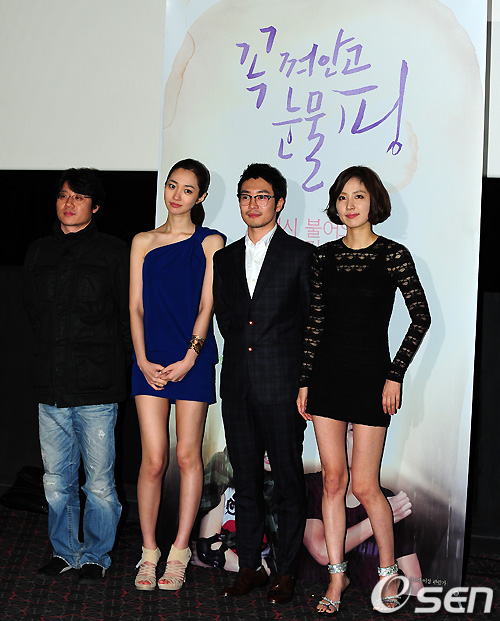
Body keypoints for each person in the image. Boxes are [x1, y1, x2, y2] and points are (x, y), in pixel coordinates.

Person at [297, 166, 431, 614]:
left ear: (374, 201)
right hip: (327, 379)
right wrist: (305, 381)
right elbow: (315, 324)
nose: (349, 204)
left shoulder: (393, 255)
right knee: (332, 481)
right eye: (342, 197)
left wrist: (395, 375)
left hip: (373, 379)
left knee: (367, 484)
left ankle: (388, 576)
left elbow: (421, 317)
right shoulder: (322, 257)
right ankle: (336, 579)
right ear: (334, 206)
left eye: (358, 196)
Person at [23, 168, 131, 584]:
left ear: (95, 206)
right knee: (55, 481)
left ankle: (96, 555)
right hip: (50, 386)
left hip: (97, 386)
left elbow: (126, 317)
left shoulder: (114, 252)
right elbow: (33, 313)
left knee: (99, 483)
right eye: (64, 196)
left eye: (79, 197)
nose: (69, 204)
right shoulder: (38, 251)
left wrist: (116, 367)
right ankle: (65, 551)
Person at [213, 163, 314, 605]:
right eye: (246, 196)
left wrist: (305, 383)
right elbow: (227, 320)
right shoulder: (224, 258)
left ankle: (286, 572)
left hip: (283, 388)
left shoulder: (301, 255)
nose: (253, 204)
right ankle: (250, 567)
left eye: (262, 196)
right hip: (237, 386)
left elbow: (312, 325)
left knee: (289, 483)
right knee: (246, 482)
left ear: (279, 202)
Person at [129, 158, 225, 591]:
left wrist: (190, 357)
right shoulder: (143, 241)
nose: (176, 195)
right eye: (171, 185)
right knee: (154, 459)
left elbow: (208, 305)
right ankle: (149, 552)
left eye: (187, 189)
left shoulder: (211, 241)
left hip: (193, 359)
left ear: (200, 197)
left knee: (188, 456)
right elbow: (135, 306)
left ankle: (180, 551)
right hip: (148, 358)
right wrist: (142, 358)